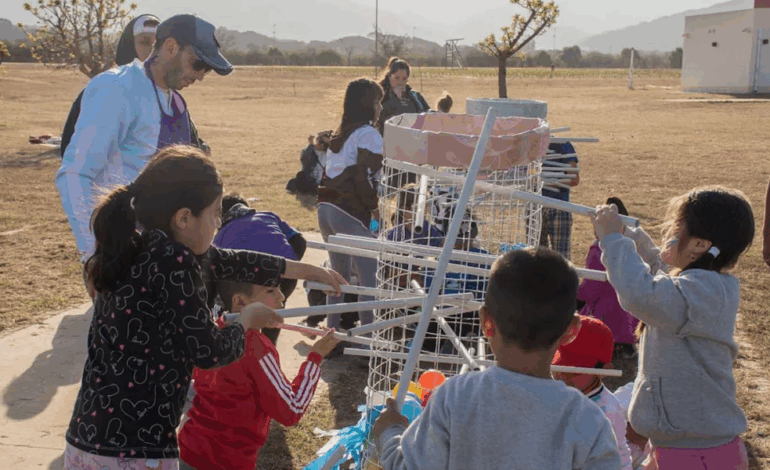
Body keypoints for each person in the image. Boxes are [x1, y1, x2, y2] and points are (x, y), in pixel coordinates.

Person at [63, 145, 345, 470]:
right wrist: (247, 322)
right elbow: (209, 352)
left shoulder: (135, 248)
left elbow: (235, 261)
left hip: (85, 439)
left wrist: (307, 270)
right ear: (184, 218)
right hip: (135, 449)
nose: (218, 224)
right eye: (214, 215)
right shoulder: (176, 260)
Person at [372, 247, 621, 470]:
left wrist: (390, 433)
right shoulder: (589, 421)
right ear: (572, 331)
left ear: (485, 323)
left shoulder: (455, 397)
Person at [591, 186, 755, 470]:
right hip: (684, 444)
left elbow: (641, 293)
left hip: (695, 454)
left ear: (699, 246)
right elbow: (662, 275)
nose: (670, 234)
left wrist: (614, 241)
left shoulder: (701, 292)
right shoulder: (703, 285)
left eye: (677, 228)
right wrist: (634, 238)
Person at [57, 14, 230, 261]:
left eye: (207, 69)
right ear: (171, 48)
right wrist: (93, 254)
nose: (201, 75)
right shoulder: (118, 89)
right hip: (123, 254)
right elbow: (75, 174)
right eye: (197, 64)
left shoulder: (177, 101)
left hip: (162, 255)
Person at [177, 272, 340, 470]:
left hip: (188, 450)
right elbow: (291, 410)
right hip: (226, 461)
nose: (281, 296)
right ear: (241, 302)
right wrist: (316, 357)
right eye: (271, 291)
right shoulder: (257, 348)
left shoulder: (212, 331)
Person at [317, 78, 384, 330]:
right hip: (349, 211)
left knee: (338, 278)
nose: (380, 108)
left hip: (325, 209)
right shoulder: (368, 134)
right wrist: (375, 209)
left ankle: (331, 333)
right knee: (369, 279)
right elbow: (362, 175)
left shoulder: (339, 134)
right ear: (367, 104)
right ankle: (368, 342)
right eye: (377, 102)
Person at [60, 14, 162, 159]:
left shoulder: (169, 96)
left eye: (158, 44)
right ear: (130, 45)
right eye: (145, 42)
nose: (152, 51)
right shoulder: (103, 90)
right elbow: (71, 150)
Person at [212, 194, 307, 345]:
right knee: (274, 308)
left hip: (250, 281)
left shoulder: (221, 234)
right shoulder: (268, 215)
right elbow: (300, 241)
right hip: (286, 275)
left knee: (240, 314)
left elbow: (217, 269)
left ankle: (246, 351)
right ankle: (269, 347)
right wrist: (288, 268)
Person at [552, 315, 634, 470]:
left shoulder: (604, 412)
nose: (563, 375)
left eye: (575, 371)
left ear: (604, 371)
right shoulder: (566, 393)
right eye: (559, 366)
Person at [577, 197, 639, 358]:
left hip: (606, 318)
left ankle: (611, 343)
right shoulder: (630, 246)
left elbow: (591, 288)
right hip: (630, 320)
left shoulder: (598, 249)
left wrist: (575, 299)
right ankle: (626, 344)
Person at [540, 141, 580, 260]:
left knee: (561, 258)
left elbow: (574, 179)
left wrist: (547, 183)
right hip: (535, 206)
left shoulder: (563, 144)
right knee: (536, 256)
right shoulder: (531, 143)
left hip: (558, 207)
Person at [375, 57, 430, 133]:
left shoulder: (415, 97)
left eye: (404, 79)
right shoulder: (379, 95)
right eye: (396, 78)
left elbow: (426, 116)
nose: (400, 82)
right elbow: (378, 118)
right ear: (389, 76)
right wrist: (395, 100)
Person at [286, 130, 332, 196]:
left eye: (324, 144)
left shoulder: (327, 154)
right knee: (301, 176)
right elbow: (306, 163)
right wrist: (311, 145)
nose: (320, 144)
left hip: (320, 181)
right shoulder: (307, 150)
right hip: (308, 179)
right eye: (320, 140)